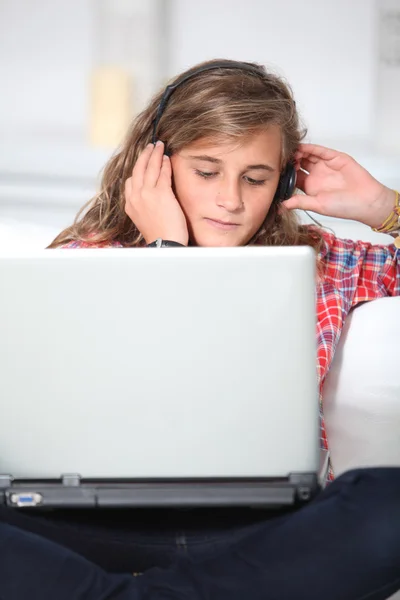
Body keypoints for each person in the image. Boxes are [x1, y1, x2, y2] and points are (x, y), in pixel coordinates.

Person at [0, 59, 399, 600]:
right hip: (87, 522)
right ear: (155, 168)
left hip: (259, 533)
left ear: (282, 180)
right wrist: (168, 255)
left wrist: (384, 208)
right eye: (207, 172)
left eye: (255, 179)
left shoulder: (324, 263)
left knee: (388, 502)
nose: (230, 201)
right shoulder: (82, 264)